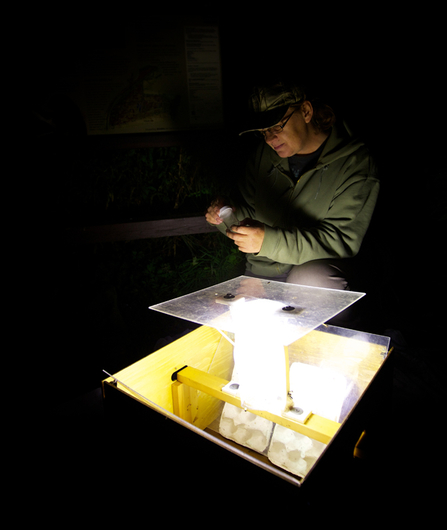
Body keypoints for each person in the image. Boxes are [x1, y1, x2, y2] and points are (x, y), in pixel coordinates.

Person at [206, 81, 379, 324]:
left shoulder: (354, 163)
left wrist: (267, 241)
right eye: (263, 131)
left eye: (277, 125)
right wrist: (225, 216)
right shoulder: (264, 156)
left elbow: (340, 241)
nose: (269, 139)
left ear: (306, 111)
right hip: (264, 271)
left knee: (310, 279)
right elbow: (251, 218)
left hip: (315, 273)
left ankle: (329, 338)